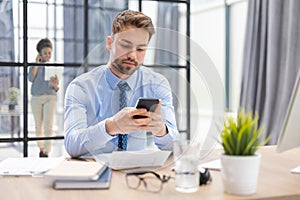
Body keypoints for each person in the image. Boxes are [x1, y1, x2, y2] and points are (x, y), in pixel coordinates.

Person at [64, 10, 179, 157]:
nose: (132, 55)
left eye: (140, 49)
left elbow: (175, 146)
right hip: (94, 172)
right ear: (109, 43)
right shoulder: (80, 87)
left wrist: (162, 131)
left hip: (137, 172)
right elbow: (72, 145)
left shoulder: (158, 84)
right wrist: (111, 126)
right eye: (125, 45)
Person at [28, 38, 59, 157]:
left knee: (48, 124)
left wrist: (55, 83)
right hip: (36, 97)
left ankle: (46, 151)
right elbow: (30, 79)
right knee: (38, 125)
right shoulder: (34, 65)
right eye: (45, 53)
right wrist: (37, 63)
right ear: (40, 54)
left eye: (49, 53)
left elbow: (56, 88)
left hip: (50, 97)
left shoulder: (54, 67)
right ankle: (41, 148)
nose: (48, 55)